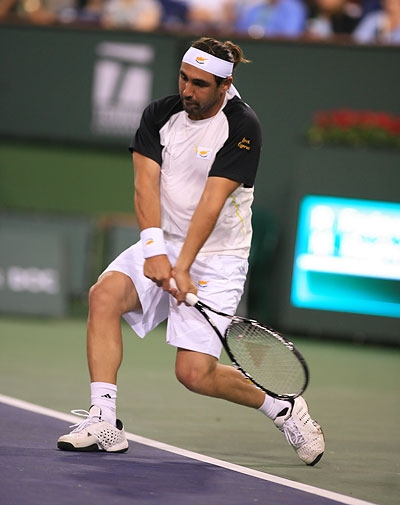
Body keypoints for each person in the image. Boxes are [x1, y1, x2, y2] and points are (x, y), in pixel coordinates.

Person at [57, 37, 325, 466]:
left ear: (225, 85)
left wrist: (181, 267)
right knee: (103, 295)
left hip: (219, 257)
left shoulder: (242, 126)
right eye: (183, 78)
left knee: (194, 374)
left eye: (200, 84)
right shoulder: (159, 114)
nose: (187, 90)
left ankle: (282, 407)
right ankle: (103, 421)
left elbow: (211, 204)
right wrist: (155, 250)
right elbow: (145, 187)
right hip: (165, 240)